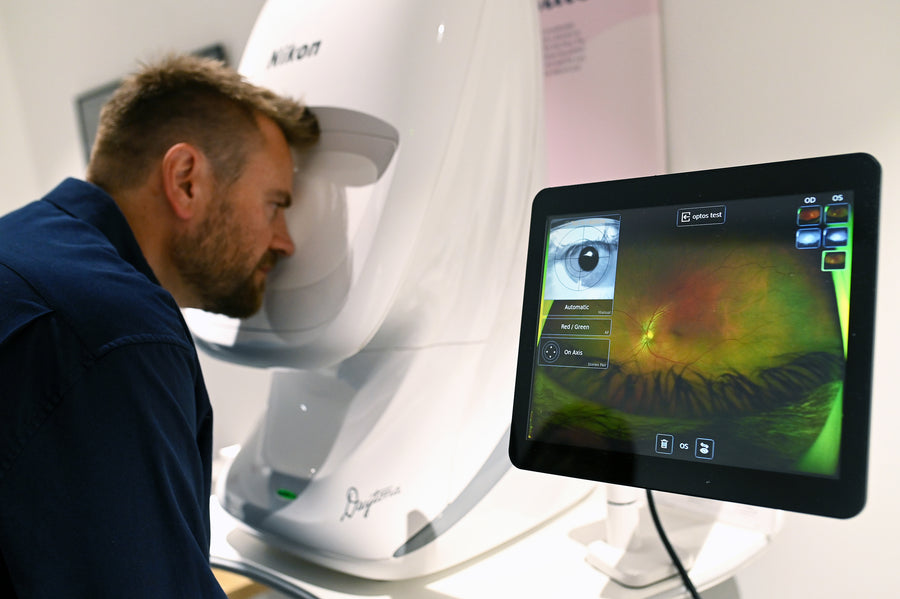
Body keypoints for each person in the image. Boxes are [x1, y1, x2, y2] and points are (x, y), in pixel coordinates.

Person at [0, 54, 319, 597]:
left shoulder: (21, 243)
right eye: (275, 204)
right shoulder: (114, 331)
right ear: (186, 180)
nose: (285, 240)